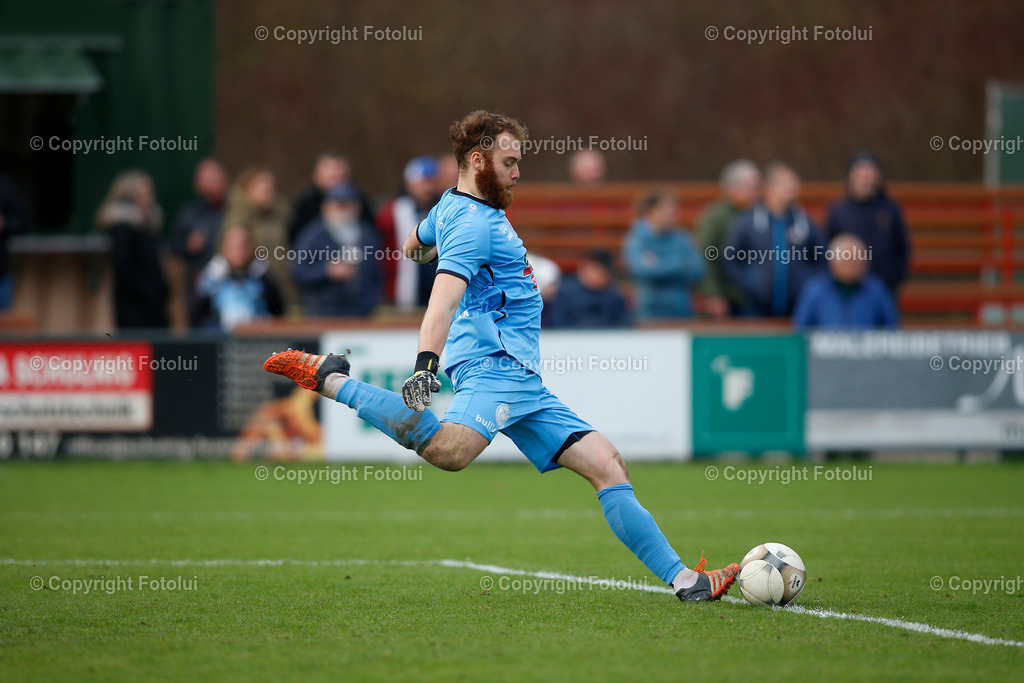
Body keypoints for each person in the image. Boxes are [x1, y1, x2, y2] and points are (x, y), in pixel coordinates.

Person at [264, 110, 738, 602]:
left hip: (521, 377)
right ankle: (331, 379)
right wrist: (425, 364)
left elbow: (411, 247)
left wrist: (431, 248)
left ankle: (688, 583)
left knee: (607, 464)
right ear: (477, 159)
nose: (517, 172)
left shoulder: (451, 206)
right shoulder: (471, 224)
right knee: (450, 452)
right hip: (496, 364)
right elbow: (442, 300)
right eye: (509, 162)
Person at [724, 162, 825, 317]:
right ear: (769, 188)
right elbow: (731, 258)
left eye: (794, 182)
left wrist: (806, 282)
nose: (792, 187)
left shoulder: (804, 222)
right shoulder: (748, 222)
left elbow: (821, 258)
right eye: (785, 183)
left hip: (796, 309)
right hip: (755, 310)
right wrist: (750, 282)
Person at [825, 151, 911, 294]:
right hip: (848, 289)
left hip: (886, 287)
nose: (867, 180)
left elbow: (901, 248)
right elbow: (828, 249)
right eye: (862, 175)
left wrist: (895, 279)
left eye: (871, 175)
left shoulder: (890, 209)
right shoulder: (838, 211)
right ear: (850, 178)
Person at [291, 182, 381, 317]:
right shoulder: (313, 235)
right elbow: (298, 271)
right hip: (323, 314)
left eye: (347, 205)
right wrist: (327, 271)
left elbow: (377, 274)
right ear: (326, 208)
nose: (343, 210)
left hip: (360, 315)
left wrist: (370, 303)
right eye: (339, 205)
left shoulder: (367, 235)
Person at [95, 170, 169, 329]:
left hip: (152, 300)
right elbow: (123, 266)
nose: (149, 197)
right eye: (143, 193)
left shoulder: (149, 223)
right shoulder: (123, 226)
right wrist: (145, 291)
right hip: (134, 303)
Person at [224, 167, 298, 314]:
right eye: (261, 185)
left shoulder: (282, 213)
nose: (267, 189)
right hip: (254, 289)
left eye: (270, 186)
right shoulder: (237, 219)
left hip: (285, 284)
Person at [622, 191, 705, 319]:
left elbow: (697, 270)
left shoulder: (682, 238)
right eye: (668, 208)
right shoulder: (636, 240)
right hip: (650, 312)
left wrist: (658, 265)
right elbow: (642, 271)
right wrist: (679, 266)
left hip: (681, 310)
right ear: (651, 211)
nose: (673, 213)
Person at [696, 160, 761, 318]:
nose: (756, 192)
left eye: (757, 187)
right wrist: (713, 294)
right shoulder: (715, 218)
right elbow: (705, 256)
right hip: (728, 298)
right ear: (732, 187)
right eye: (750, 187)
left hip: (757, 296)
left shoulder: (763, 215)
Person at [793, 233, 899, 329]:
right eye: (850, 261)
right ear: (834, 263)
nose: (856, 265)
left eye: (860, 260)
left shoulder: (877, 290)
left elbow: (890, 329)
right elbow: (801, 330)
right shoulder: (815, 290)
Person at [169, 158, 229, 326]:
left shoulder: (235, 210)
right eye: (201, 178)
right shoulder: (189, 213)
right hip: (200, 288)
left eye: (209, 178)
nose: (203, 183)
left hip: (233, 286)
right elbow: (174, 245)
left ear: (223, 178)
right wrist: (188, 247)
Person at [376, 156, 440, 309]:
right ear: (409, 184)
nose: (427, 188)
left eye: (431, 182)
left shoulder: (445, 210)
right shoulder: (392, 213)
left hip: (438, 288)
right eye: (422, 182)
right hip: (402, 294)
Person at [194, 224, 283, 330]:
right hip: (220, 339)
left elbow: (278, 309)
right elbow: (197, 314)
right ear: (223, 249)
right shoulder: (211, 278)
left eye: (243, 247)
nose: (239, 253)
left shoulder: (262, 276)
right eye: (234, 247)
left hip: (258, 339)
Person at [288, 152, 375, 245]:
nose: (335, 173)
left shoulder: (360, 199)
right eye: (329, 168)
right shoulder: (306, 203)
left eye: (338, 168)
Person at [547, 249, 631, 328]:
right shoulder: (565, 293)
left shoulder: (615, 296)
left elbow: (622, 324)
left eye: (603, 272)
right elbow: (558, 322)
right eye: (594, 269)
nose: (598, 275)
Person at [0, 168, 29, 310]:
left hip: (1, 271)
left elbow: (23, 222)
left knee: (5, 328)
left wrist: (5, 224)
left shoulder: (4, 186)